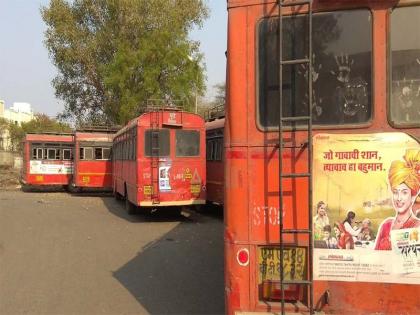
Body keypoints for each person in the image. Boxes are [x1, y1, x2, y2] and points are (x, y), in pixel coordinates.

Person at [375, 149, 420, 250]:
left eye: (404, 192)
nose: (399, 198)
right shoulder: (386, 225)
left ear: (413, 196)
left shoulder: (418, 226)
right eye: (395, 192)